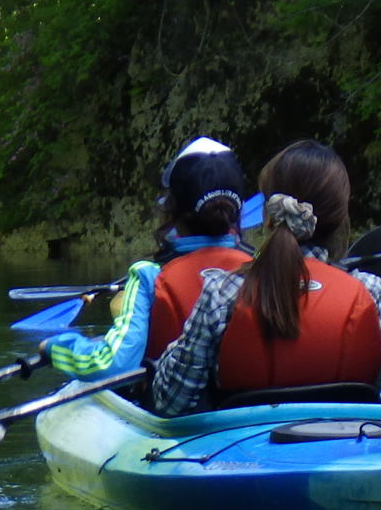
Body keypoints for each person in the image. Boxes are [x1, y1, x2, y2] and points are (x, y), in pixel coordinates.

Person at [147, 140, 381, 417]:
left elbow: (171, 401)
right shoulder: (370, 290)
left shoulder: (221, 291)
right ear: (342, 218)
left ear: (268, 215)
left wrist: (182, 346)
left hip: (239, 447)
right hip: (347, 440)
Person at [44, 137, 253, 382]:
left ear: (171, 209)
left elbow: (113, 366)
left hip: (174, 412)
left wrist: (56, 347)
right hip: (251, 406)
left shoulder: (148, 276)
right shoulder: (266, 268)